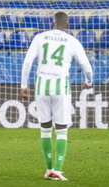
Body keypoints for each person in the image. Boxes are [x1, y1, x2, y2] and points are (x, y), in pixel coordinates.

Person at [20, 12, 94, 182]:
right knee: (61, 129)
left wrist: (23, 85)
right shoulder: (72, 41)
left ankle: (48, 169)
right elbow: (86, 66)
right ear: (67, 26)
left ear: (53, 23)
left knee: (45, 128)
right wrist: (88, 81)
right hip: (61, 88)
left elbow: (28, 61)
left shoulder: (40, 37)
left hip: (41, 88)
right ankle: (57, 170)